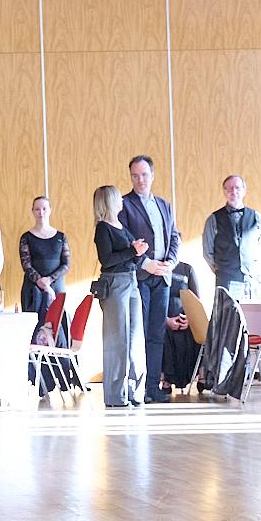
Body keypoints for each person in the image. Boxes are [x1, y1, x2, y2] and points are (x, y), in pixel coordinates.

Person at [118, 155, 180, 404]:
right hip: (140, 277)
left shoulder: (164, 205)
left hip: (163, 278)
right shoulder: (124, 205)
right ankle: (138, 387)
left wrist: (170, 263)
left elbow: (175, 236)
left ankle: (153, 387)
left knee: (156, 334)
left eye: (144, 175)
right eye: (135, 175)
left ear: (153, 175)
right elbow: (124, 240)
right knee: (139, 334)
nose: (140, 180)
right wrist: (146, 264)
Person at [93, 186, 148, 408]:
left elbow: (130, 257)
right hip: (115, 283)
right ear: (109, 202)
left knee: (135, 338)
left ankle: (136, 391)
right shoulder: (103, 229)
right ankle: (116, 394)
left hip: (131, 280)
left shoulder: (121, 227)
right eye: (117, 198)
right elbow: (107, 260)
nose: (121, 201)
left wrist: (136, 251)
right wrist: (132, 252)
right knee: (117, 340)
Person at [18, 195, 73, 393]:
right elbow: (26, 264)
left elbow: (66, 263)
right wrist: (41, 282)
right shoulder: (26, 237)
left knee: (56, 333)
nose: (41, 213)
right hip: (33, 292)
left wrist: (50, 281)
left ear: (49, 210)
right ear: (32, 212)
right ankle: (39, 383)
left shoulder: (61, 236)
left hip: (56, 291)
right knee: (35, 334)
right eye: (37, 209)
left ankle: (63, 379)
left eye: (44, 209)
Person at [202, 174, 261, 293]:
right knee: (227, 311)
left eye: (237, 188)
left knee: (252, 311)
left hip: (250, 279)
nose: (233, 191)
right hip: (226, 280)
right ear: (224, 192)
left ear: (244, 190)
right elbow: (207, 252)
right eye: (229, 188)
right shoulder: (213, 219)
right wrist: (222, 269)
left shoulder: (256, 217)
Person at [162, 261, 202, 391]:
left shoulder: (187, 269)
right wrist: (166, 320)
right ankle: (166, 379)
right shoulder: (158, 268)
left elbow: (196, 299)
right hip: (162, 317)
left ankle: (201, 376)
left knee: (197, 334)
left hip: (185, 318)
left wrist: (189, 319)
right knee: (163, 333)